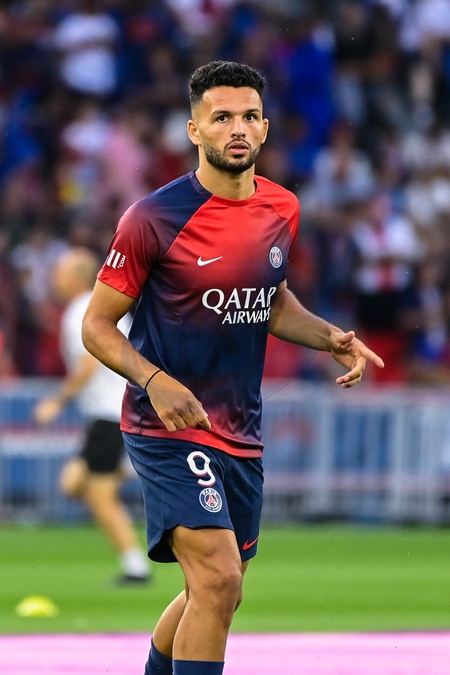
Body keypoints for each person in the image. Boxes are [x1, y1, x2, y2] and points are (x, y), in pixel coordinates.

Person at [81, 60, 384, 675]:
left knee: (221, 588)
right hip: (168, 424)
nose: (237, 128)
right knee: (218, 579)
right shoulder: (152, 218)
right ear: (194, 130)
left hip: (240, 427)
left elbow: (271, 299)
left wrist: (328, 337)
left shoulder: (282, 208)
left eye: (249, 116)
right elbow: (96, 326)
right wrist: (155, 381)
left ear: (266, 128)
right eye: (221, 117)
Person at [34, 247, 151, 585]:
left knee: (97, 493)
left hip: (111, 413)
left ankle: (136, 567)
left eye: (59, 272)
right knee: (73, 484)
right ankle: (131, 466)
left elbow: (89, 363)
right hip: (120, 411)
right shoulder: (109, 307)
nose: (55, 278)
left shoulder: (81, 311)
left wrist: (57, 402)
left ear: (75, 277)